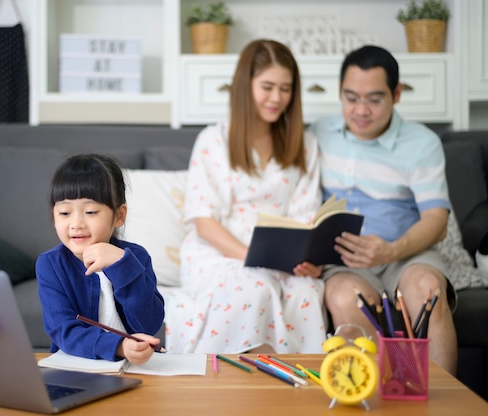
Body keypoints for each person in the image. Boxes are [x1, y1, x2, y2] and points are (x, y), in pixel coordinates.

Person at [166, 39, 328, 354]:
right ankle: (236, 388)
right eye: (267, 87)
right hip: (220, 253)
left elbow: (308, 216)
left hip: (282, 259)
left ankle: (301, 394)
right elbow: (204, 221)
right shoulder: (213, 140)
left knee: (307, 292)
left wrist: (311, 261)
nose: (277, 98)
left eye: (286, 88)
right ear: (245, 85)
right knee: (255, 286)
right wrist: (254, 256)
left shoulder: (305, 145)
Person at [309, 45, 458, 375]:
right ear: (339, 93)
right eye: (351, 98)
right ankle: (372, 400)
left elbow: (437, 220)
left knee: (427, 290)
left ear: (397, 94)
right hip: (345, 262)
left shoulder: (422, 142)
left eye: (374, 99)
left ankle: (446, 405)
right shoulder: (319, 134)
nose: (361, 110)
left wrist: (391, 249)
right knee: (348, 298)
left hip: (406, 253)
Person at [36, 154, 165, 366]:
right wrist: (119, 346)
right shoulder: (51, 265)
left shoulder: (136, 257)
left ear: (119, 216)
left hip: (136, 368)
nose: (76, 223)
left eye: (90, 211)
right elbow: (63, 331)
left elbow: (149, 324)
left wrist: (123, 266)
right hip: (75, 367)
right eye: (65, 212)